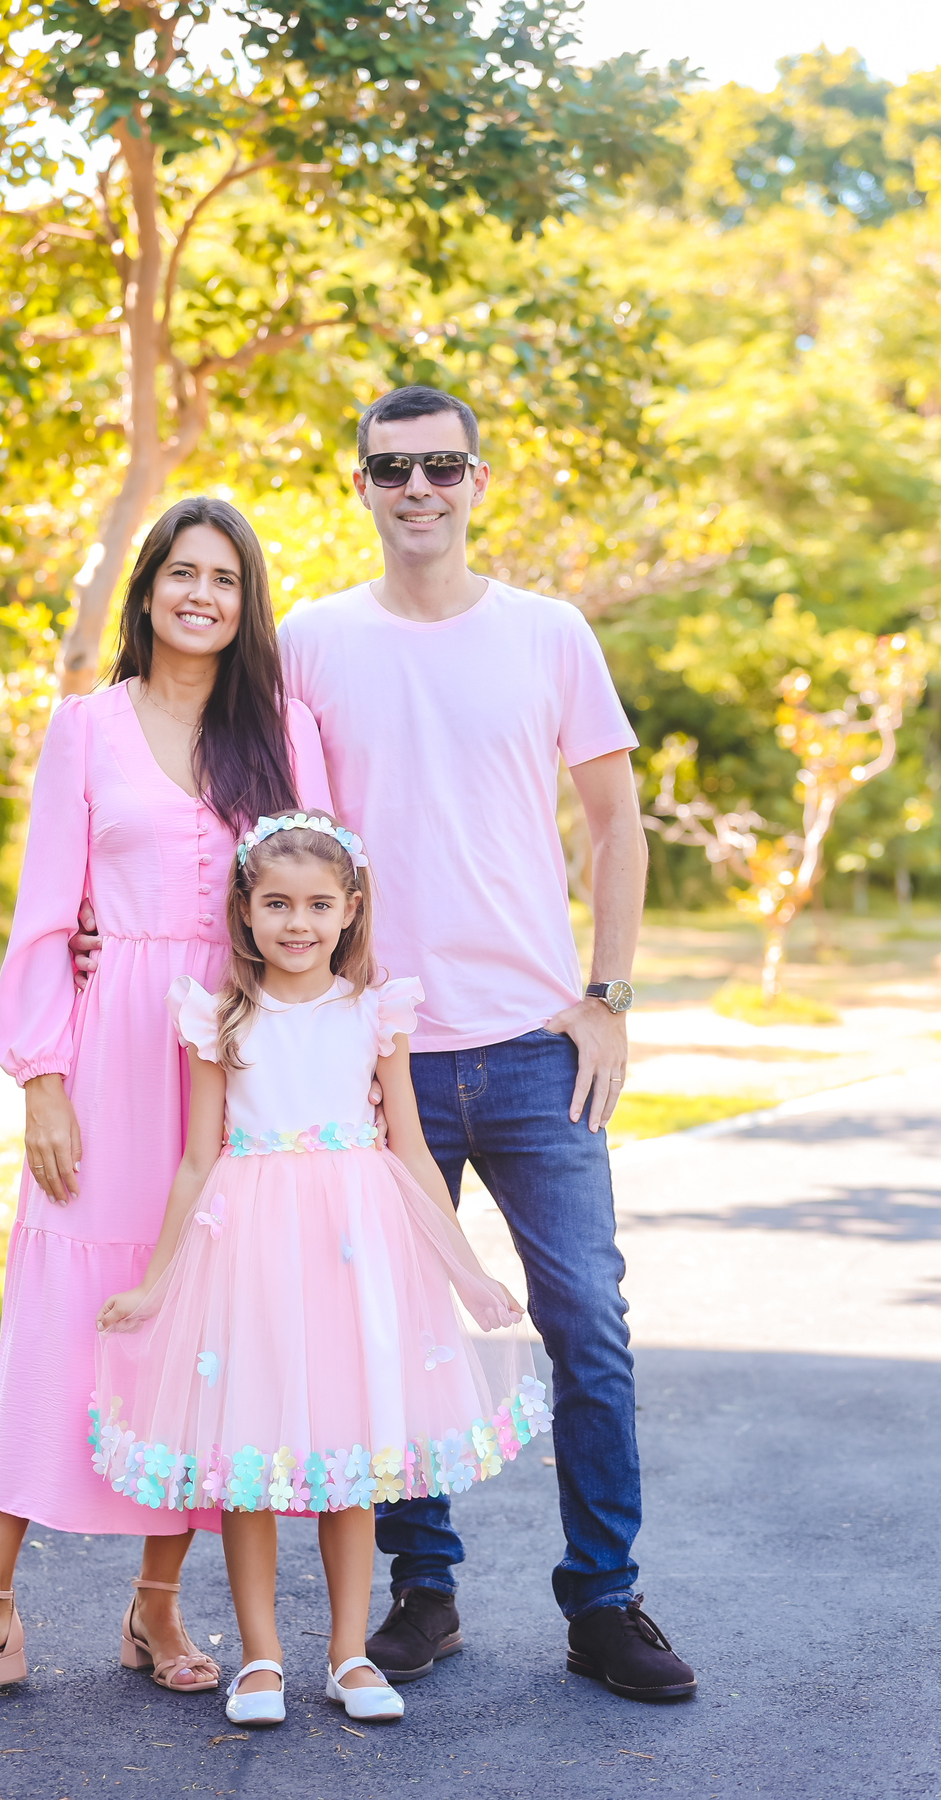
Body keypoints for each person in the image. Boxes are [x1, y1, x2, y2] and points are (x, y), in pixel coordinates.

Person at [276, 386, 697, 1703]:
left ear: (476, 479)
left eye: (442, 466)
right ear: (360, 484)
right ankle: (426, 1590)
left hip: (532, 1048)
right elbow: (271, 836)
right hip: (377, 1054)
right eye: (393, 467)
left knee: (590, 1327)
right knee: (398, 1335)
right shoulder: (311, 641)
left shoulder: (549, 632)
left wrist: (607, 996)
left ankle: (605, 1602)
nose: (419, 487)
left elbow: (616, 824)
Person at [0, 497, 332, 1714]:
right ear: (146, 591)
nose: (201, 595)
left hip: (240, 1054)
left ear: (247, 604)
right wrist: (41, 1078)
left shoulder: (285, 731)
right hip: (107, 1051)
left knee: (198, 1325)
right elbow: (46, 909)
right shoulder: (86, 725)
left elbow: (324, 896)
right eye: (182, 573)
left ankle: (155, 1605)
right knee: (57, 1318)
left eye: (225, 579)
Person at [91, 814, 547, 1728]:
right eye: (276, 903)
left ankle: (348, 1655)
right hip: (251, 1251)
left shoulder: (376, 1012)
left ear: (349, 910)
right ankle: (259, 1659)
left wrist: (466, 1271)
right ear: (245, 909)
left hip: (353, 1251)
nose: (296, 923)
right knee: (249, 1456)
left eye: (316, 905)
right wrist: (155, 1283)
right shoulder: (220, 1017)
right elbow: (197, 1159)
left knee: (354, 1450)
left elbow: (411, 1148)